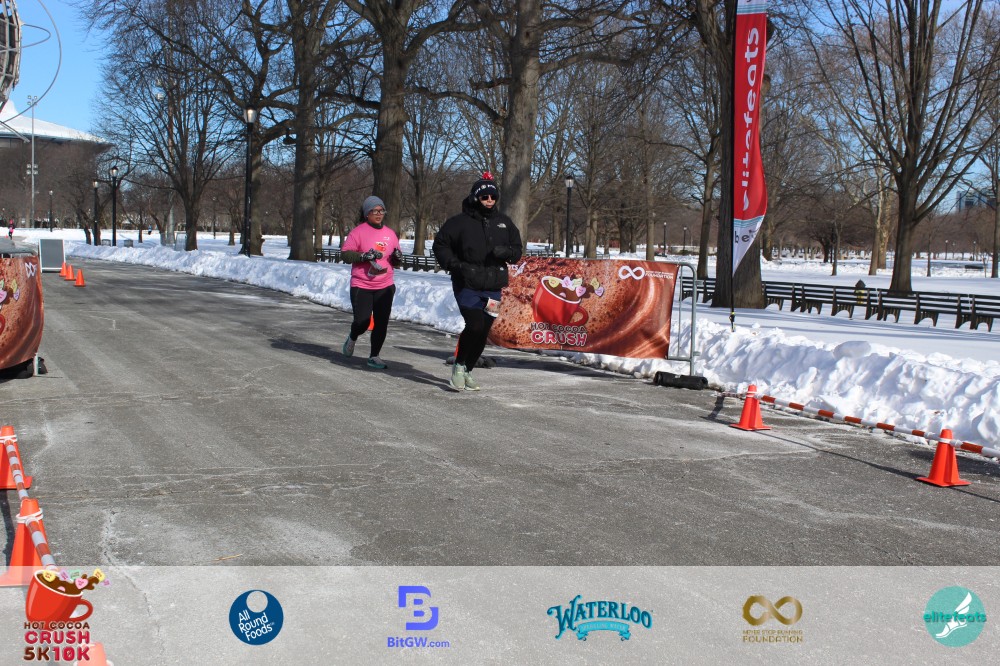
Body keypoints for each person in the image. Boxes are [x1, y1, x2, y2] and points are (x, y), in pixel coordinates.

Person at [433, 172, 523, 391]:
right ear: (476, 198)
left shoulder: (504, 222)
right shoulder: (459, 223)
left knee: (483, 332)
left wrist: (507, 252)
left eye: (493, 197)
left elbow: (517, 249)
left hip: (494, 286)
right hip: (467, 284)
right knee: (474, 325)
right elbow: (440, 245)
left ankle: (468, 370)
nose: (489, 200)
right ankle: (458, 366)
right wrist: (455, 265)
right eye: (485, 197)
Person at [339, 196, 402, 369]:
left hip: (385, 285)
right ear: (367, 213)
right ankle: (353, 336)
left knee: (381, 322)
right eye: (375, 211)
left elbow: (396, 260)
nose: (379, 214)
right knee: (363, 322)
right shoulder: (358, 232)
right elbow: (345, 254)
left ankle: (374, 356)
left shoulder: (390, 234)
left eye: (381, 210)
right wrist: (363, 256)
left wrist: (397, 258)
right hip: (362, 285)